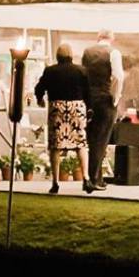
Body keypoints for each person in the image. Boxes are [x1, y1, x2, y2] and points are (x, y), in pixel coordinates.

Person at [33, 42, 89, 194]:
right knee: (80, 144)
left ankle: (55, 182)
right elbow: (88, 92)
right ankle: (86, 177)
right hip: (76, 108)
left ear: (58, 56)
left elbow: (39, 88)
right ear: (71, 56)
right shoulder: (81, 71)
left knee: (55, 146)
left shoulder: (50, 71)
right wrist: (88, 108)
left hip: (56, 109)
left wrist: (40, 99)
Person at [81, 31, 123, 192]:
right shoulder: (114, 53)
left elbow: (83, 75)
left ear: (98, 38)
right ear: (111, 38)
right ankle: (94, 179)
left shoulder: (87, 52)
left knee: (90, 140)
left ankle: (94, 176)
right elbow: (118, 77)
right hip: (105, 100)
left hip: (89, 101)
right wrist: (115, 98)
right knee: (101, 141)